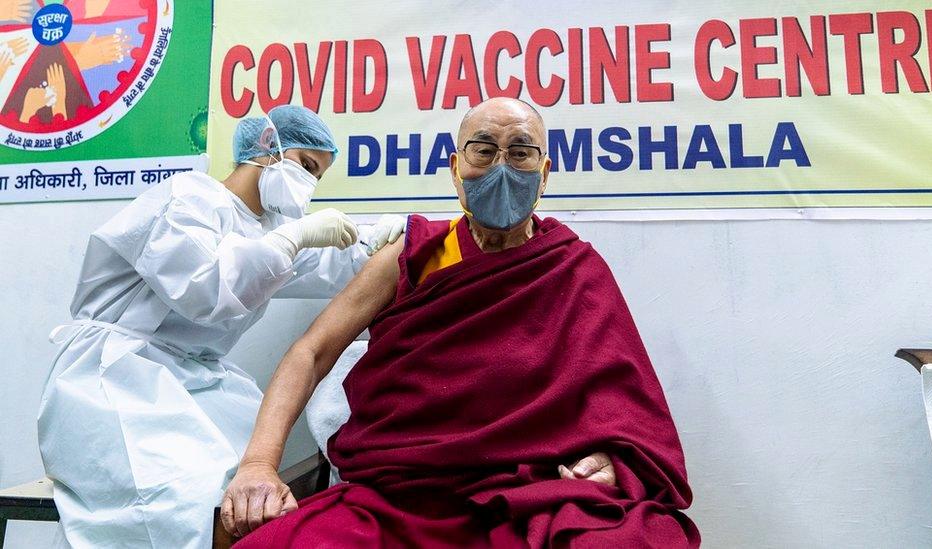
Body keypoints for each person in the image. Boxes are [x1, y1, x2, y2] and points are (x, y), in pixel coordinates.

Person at [221, 98, 699, 548]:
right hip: (401, 498)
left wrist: (607, 463)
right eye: (484, 151)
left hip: (533, 494)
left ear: (545, 173)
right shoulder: (412, 256)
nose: (501, 168)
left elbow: (624, 409)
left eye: (521, 153)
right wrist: (260, 463)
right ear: (455, 168)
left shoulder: (571, 268)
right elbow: (312, 351)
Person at [37, 104, 406, 548]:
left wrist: (392, 238)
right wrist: (293, 238)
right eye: (306, 165)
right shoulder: (187, 197)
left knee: (263, 484)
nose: (309, 183)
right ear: (269, 147)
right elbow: (203, 289)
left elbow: (333, 260)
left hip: (193, 380)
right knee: (179, 500)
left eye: (318, 175)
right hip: (114, 379)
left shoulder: (270, 228)